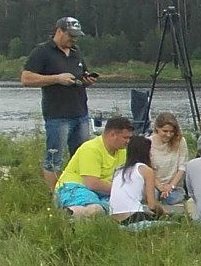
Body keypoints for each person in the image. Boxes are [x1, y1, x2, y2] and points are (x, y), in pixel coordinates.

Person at [20, 16, 98, 187]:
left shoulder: (76, 52)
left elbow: (81, 74)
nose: (74, 39)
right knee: (55, 158)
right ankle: (55, 196)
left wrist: (86, 80)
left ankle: (77, 189)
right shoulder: (42, 51)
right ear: (59, 31)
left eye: (76, 36)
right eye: (71, 35)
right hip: (57, 115)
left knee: (82, 156)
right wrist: (57, 78)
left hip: (81, 113)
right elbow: (26, 79)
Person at [54, 116, 134, 217]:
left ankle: (78, 216)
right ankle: (69, 214)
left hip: (103, 191)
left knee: (119, 208)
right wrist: (121, 191)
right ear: (112, 134)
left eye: (129, 138)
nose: (128, 141)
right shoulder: (91, 149)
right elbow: (92, 183)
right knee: (95, 209)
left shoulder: (122, 151)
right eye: (125, 138)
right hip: (74, 187)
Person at [109, 135, 165, 223]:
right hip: (134, 216)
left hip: (114, 217)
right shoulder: (145, 170)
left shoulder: (118, 170)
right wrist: (163, 213)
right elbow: (152, 205)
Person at [148, 112, 188, 207]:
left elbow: (182, 167)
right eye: (165, 131)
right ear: (157, 128)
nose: (169, 135)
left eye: (171, 132)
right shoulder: (148, 143)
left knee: (174, 197)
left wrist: (171, 186)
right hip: (154, 184)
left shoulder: (180, 141)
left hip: (173, 185)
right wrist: (160, 187)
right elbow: (148, 168)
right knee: (152, 195)